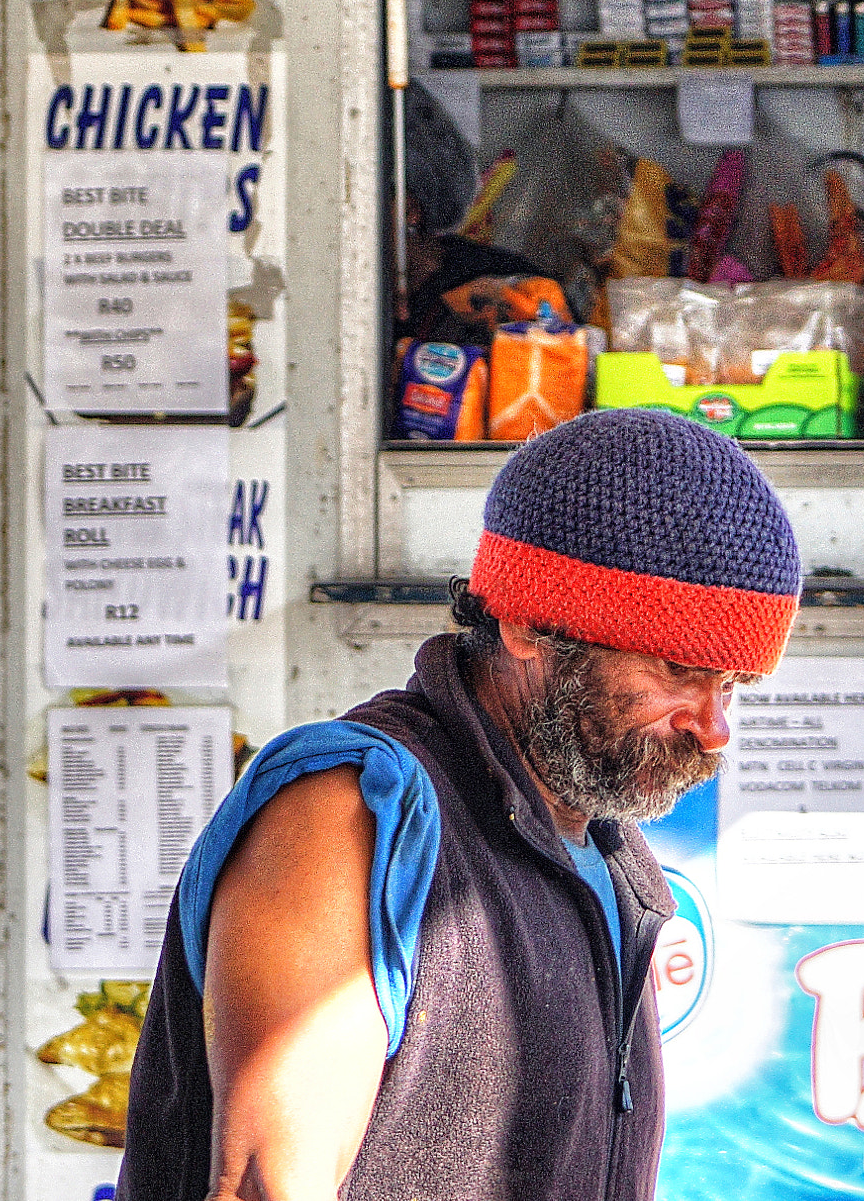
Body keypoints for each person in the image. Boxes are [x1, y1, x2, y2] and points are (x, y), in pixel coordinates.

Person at [116, 408, 804, 1201]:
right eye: (680, 670)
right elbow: (267, 1188)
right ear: (530, 621)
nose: (713, 727)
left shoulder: (614, 865)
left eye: (732, 685)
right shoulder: (353, 813)